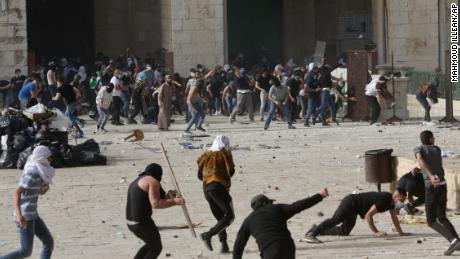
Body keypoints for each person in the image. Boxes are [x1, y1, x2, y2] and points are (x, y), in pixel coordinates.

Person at [233, 188, 329, 259]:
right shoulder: (277, 209)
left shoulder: (248, 220)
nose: (272, 204)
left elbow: (238, 245)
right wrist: (319, 196)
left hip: (270, 250)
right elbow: (298, 206)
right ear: (265, 204)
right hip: (288, 247)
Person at [1, 146, 55, 259]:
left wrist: (43, 190)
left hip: (33, 214)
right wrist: (19, 215)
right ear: (42, 158)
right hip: (25, 216)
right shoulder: (32, 172)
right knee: (25, 251)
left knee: (48, 241)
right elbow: (17, 193)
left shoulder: (40, 171)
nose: (50, 160)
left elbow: (33, 192)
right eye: (49, 157)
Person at [303, 189, 409, 244]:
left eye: (403, 200)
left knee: (344, 231)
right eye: (401, 200)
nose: (402, 202)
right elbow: (368, 215)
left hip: (355, 208)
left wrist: (400, 232)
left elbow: (394, 217)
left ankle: (316, 228)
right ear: (395, 196)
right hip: (350, 203)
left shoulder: (391, 203)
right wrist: (376, 232)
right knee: (335, 220)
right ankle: (312, 234)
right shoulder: (385, 199)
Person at [414, 130, 460, 255]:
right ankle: (458, 242)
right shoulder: (437, 149)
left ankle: (453, 240)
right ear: (430, 139)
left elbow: (420, 160)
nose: (434, 139)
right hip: (442, 184)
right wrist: (421, 171)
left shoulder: (418, 149)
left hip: (432, 186)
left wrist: (429, 175)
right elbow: (430, 163)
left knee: (431, 220)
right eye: (433, 137)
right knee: (442, 217)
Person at [126, 163, 185, 259]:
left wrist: (170, 196)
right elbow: (156, 204)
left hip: (131, 222)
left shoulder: (139, 180)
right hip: (142, 222)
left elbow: (159, 197)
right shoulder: (153, 182)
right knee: (156, 247)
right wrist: (175, 202)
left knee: (150, 245)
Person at [197, 135, 235, 253]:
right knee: (229, 216)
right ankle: (208, 234)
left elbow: (199, 174)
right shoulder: (224, 153)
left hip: (206, 188)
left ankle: (224, 245)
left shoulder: (206, 154)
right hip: (218, 187)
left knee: (220, 218)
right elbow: (231, 170)